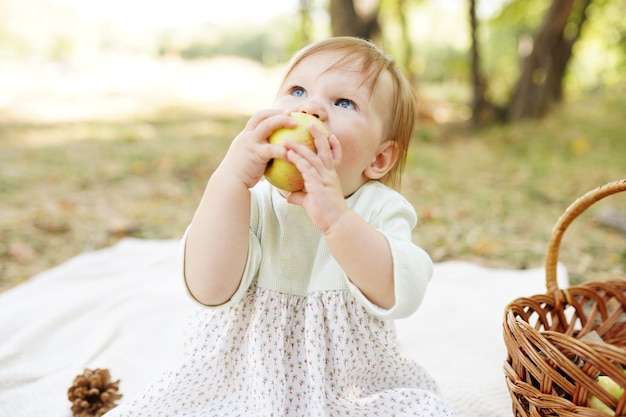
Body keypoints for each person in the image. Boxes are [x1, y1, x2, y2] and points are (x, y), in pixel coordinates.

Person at [105, 36, 458, 416]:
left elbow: (399, 292)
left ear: (380, 158)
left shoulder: (378, 209)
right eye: (297, 90)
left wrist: (338, 219)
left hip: (346, 389)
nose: (311, 108)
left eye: (343, 102)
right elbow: (208, 287)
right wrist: (228, 181)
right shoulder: (250, 202)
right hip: (241, 381)